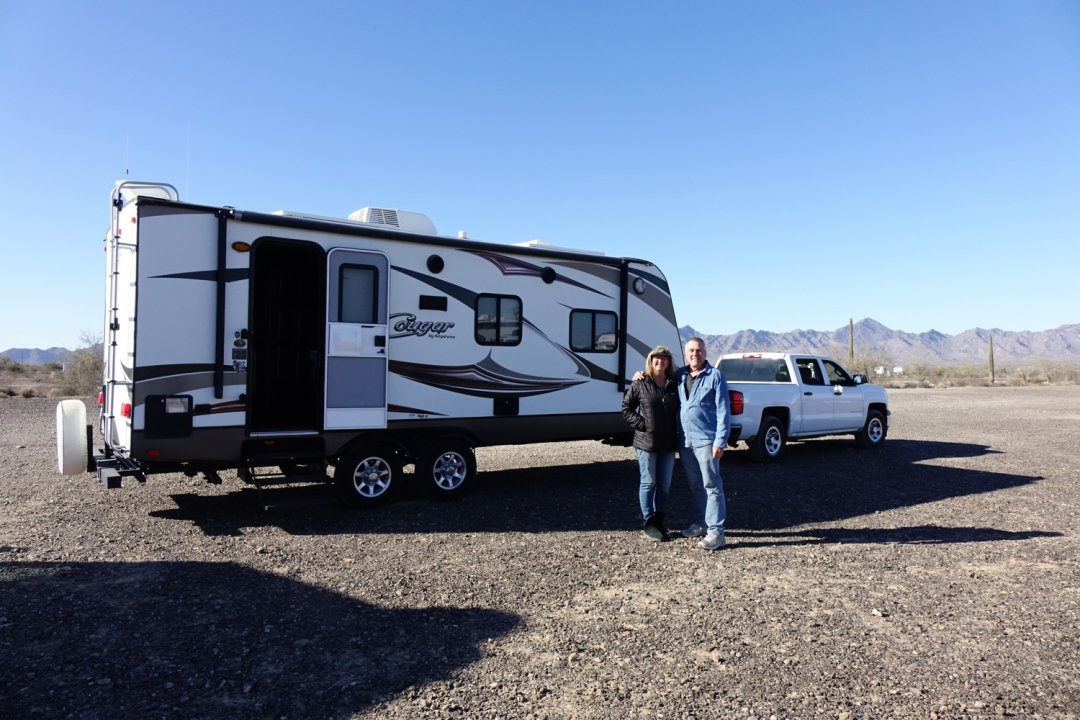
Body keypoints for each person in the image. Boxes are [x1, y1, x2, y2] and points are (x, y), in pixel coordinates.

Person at [676, 337, 731, 551]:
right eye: (691, 350)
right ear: (686, 353)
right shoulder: (680, 375)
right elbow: (657, 376)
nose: (694, 354)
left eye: (698, 350)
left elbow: (723, 410)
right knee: (696, 485)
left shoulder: (715, 376)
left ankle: (716, 533)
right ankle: (701, 524)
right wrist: (640, 375)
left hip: (707, 440)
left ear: (705, 353)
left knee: (712, 486)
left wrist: (720, 441)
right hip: (686, 440)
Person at [621, 346, 680, 541]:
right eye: (656, 358)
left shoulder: (674, 384)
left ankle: (659, 519)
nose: (660, 361)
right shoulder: (640, 382)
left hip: (668, 443)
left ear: (669, 362)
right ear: (650, 360)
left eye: (664, 358)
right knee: (649, 482)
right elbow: (626, 408)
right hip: (646, 443)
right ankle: (649, 520)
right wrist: (643, 424)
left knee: (665, 484)